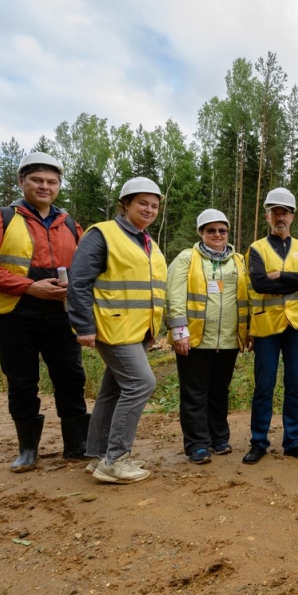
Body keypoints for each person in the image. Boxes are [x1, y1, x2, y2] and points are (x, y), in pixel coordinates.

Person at [0, 152, 87, 472]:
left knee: (72, 379)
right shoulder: (0, 218)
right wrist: (28, 286)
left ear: (59, 185)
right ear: (22, 182)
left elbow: (88, 268)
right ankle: (27, 450)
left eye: (52, 181)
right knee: (22, 381)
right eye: (37, 180)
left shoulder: (71, 224)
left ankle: (77, 446)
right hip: (14, 314)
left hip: (61, 315)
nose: (45, 186)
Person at [67, 177, 167, 484]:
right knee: (141, 384)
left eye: (154, 205)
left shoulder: (148, 242)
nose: (149, 210)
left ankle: (98, 455)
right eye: (142, 203)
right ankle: (116, 460)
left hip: (137, 331)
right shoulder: (102, 235)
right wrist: (83, 325)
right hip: (113, 327)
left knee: (112, 391)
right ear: (124, 204)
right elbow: (79, 283)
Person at [165, 209, 253, 465]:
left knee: (219, 391)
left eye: (222, 231)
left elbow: (246, 298)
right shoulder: (186, 259)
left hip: (227, 340)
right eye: (211, 230)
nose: (217, 235)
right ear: (201, 232)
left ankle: (219, 438)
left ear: (228, 233)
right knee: (194, 393)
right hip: (194, 340)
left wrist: (247, 333)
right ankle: (196, 444)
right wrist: (180, 333)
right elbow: (175, 297)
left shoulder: (238, 260)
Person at [243, 187, 298, 465]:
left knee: (294, 386)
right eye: (275, 211)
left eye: (285, 212)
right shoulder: (256, 249)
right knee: (264, 386)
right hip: (267, 327)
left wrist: (281, 275)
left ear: (292, 217)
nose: (280, 217)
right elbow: (260, 284)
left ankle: (292, 441)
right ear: (267, 216)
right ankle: (258, 442)